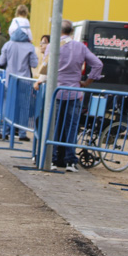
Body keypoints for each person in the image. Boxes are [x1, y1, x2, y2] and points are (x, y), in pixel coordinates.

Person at [49, 20, 103, 172]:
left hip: (56, 92)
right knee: (72, 128)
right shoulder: (80, 47)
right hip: (74, 92)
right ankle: (70, 161)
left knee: (54, 126)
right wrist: (87, 82)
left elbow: (45, 68)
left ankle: (52, 159)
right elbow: (98, 64)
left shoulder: (53, 46)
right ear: (71, 31)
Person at [0, 27, 38, 140]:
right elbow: (34, 64)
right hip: (24, 81)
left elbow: (1, 61)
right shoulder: (30, 47)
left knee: (8, 106)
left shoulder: (8, 45)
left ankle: (5, 131)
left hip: (10, 80)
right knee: (23, 108)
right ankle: (22, 133)